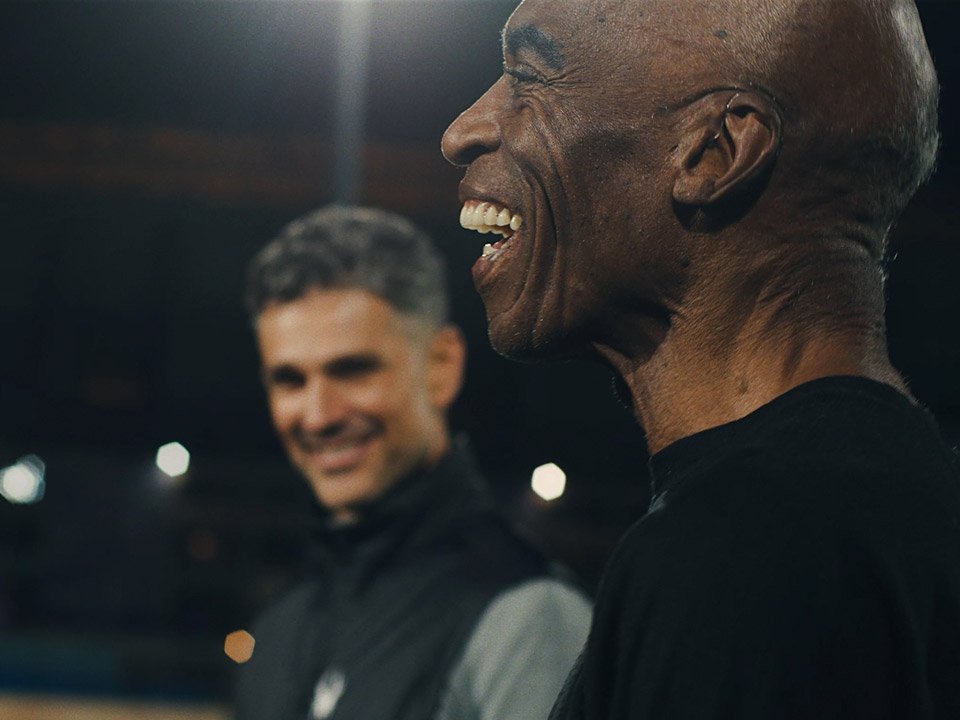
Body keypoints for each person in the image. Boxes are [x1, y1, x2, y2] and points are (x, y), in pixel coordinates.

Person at [442, 0, 960, 718]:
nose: (463, 130)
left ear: (715, 152)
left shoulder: (753, 555)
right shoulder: (886, 504)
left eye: (529, 76)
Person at [234, 206, 591, 720]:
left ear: (441, 366)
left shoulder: (531, 622)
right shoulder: (277, 631)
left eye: (353, 370)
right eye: (290, 380)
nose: (317, 416)